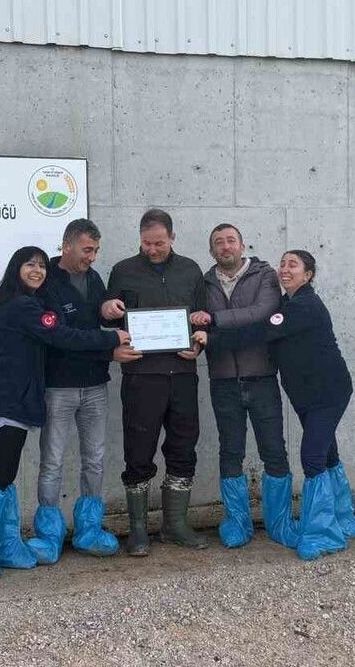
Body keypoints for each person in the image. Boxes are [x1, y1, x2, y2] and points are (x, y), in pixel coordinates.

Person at [0, 246, 129, 580]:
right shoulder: (23, 307)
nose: (38, 270)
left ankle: (4, 545)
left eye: (43, 265)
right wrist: (110, 338)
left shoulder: (19, 304)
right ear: (16, 268)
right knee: (0, 475)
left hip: (8, 400)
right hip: (5, 401)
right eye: (30, 264)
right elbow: (61, 335)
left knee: (5, 474)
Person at [192, 250, 355, 561]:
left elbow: (261, 331)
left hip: (327, 392)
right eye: (283, 263)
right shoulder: (287, 303)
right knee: (328, 453)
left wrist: (212, 339)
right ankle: (343, 516)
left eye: (294, 265)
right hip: (304, 395)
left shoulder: (304, 305)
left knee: (312, 457)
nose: (285, 270)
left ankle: (323, 534)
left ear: (308, 275)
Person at [27, 219, 140, 563]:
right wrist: (109, 346)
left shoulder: (93, 278)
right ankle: (48, 533)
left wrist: (108, 310)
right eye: (87, 250)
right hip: (58, 387)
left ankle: (89, 528)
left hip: (95, 386)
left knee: (94, 460)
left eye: (96, 251)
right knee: (53, 462)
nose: (92, 257)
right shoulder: (45, 282)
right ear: (67, 246)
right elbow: (60, 336)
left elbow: (95, 320)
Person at [100, 208, 209, 556]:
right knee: (138, 449)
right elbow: (105, 317)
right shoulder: (123, 270)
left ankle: (175, 525)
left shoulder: (191, 270)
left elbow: (203, 320)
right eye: (146, 243)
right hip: (140, 376)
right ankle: (138, 530)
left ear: (172, 238)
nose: (152, 249)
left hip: (183, 375)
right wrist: (108, 310)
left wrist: (199, 342)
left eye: (159, 243)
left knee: (183, 446)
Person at [189, 224, 289, 548]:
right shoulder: (202, 284)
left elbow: (263, 314)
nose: (225, 246)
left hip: (261, 377)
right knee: (230, 451)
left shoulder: (264, 276)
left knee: (273, 449)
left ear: (243, 245)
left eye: (231, 240)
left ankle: (280, 522)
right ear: (211, 250)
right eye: (218, 242)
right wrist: (196, 344)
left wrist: (213, 323)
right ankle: (237, 522)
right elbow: (193, 322)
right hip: (222, 381)